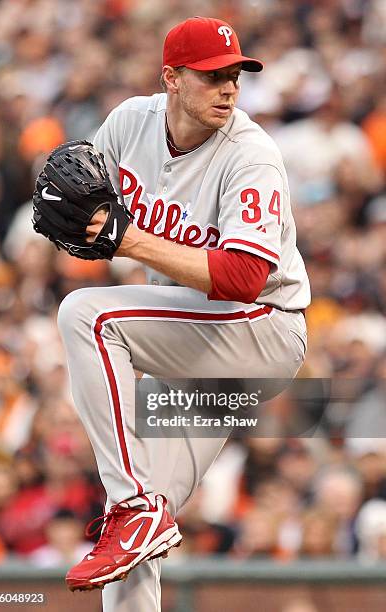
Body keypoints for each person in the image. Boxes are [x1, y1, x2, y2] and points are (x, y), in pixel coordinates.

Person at [57, 16, 310, 611]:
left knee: (87, 315)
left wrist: (128, 241)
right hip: (195, 351)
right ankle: (139, 511)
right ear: (171, 78)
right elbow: (81, 194)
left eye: (235, 76)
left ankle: (134, 506)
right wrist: (77, 223)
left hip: (261, 329)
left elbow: (246, 277)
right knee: (133, 542)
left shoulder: (251, 154)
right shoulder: (129, 122)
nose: (228, 88)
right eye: (211, 76)